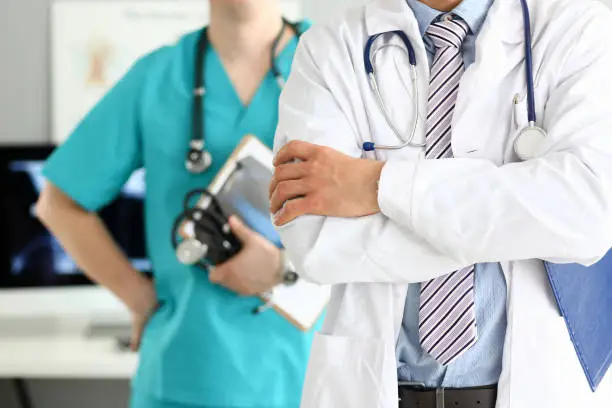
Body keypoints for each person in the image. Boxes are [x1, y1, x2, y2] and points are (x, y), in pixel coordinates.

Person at [269, 0, 612, 407]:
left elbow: (587, 212)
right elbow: (315, 242)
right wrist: (514, 218)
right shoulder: (330, 47)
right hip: (376, 390)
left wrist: (378, 184)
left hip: (535, 386)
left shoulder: (578, 27)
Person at [35, 1, 317, 407]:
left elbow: (382, 217)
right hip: (185, 376)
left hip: (310, 376)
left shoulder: (334, 67)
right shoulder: (158, 77)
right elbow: (59, 202)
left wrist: (281, 270)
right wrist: (137, 295)